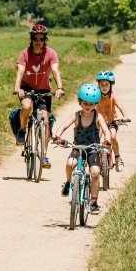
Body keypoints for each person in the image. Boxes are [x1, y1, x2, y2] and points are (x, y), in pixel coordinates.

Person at [52, 83, 111, 214]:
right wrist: (58, 136)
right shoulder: (76, 116)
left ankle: (94, 202)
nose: (87, 107)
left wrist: (106, 141)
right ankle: (68, 182)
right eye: (85, 103)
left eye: (91, 104)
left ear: (95, 104)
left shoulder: (97, 117)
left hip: (92, 149)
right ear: (79, 102)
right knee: (69, 163)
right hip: (77, 148)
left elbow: (106, 131)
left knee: (95, 172)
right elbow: (63, 126)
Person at [13, 24, 64, 169]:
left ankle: (44, 155)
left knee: (46, 121)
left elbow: (56, 71)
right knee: (26, 106)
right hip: (27, 88)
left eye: (41, 39)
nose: (38, 42)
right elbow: (20, 72)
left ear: (45, 40)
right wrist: (18, 88)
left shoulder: (51, 53)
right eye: (35, 39)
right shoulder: (24, 54)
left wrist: (60, 87)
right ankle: (22, 129)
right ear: (31, 39)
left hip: (43, 90)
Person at [95, 70, 129, 172]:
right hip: (100, 123)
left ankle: (117, 158)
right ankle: (94, 159)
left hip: (112, 122)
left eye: (106, 85)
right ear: (99, 85)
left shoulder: (113, 96)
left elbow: (120, 106)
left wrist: (125, 116)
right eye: (102, 85)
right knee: (96, 138)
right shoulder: (96, 95)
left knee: (112, 136)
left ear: (111, 85)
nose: (104, 87)